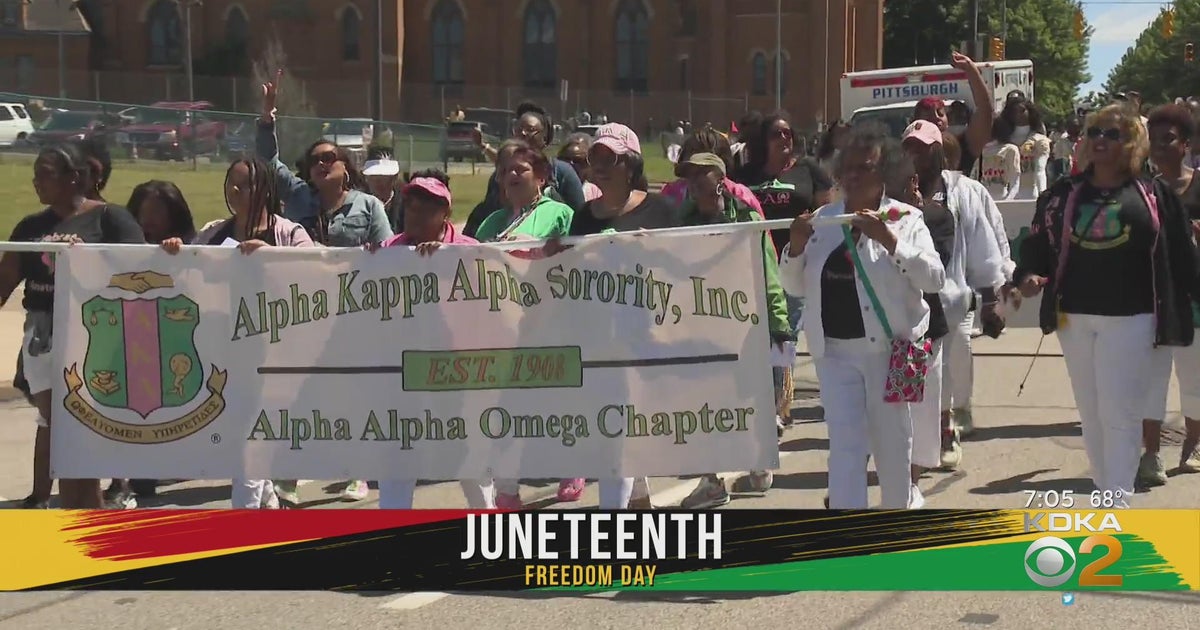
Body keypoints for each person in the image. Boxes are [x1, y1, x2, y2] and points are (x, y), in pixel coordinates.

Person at [1015, 104, 1199, 508]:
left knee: (1121, 411)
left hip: (1132, 317)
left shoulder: (1152, 193)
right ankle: (1107, 492)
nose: (1101, 139)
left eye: (1113, 134)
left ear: (1131, 142)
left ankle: (1117, 503)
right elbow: (1037, 244)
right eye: (1096, 131)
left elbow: (1182, 256)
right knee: (1092, 412)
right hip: (1073, 317)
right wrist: (1027, 275)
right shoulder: (1064, 192)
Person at [779, 122, 945, 509]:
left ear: (884, 171)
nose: (853, 176)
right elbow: (795, 286)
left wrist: (889, 240)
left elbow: (933, 278)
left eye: (865, 167)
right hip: (834, 353)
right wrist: (796, 248)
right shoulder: (823, 220)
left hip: (894, 353)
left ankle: (896, 523)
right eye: (847, 167)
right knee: (846, 445)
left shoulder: (905, 219)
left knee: (893, 446)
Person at [161, 158, 316, 509]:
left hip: (276, 354)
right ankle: (269, 512)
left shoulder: (288, 233)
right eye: (231, 183)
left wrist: (272, 256)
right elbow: (186, 272)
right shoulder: (215, 231)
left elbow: (318, 269)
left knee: (250, 442)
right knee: (248, 440)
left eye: (244, 185)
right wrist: (175, 252)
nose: (235, 191)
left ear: (264, 189)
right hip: (223, 352)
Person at [4, 143, 147, 509]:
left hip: (95, 332)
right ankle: (84, 519)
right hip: (43, 337)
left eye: (46, 174)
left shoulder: (110, 219)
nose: (37, 182)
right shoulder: (30, 226)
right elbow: (3, 284)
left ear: (73, 178)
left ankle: (84, 520)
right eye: (35, 174)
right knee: (63, 429)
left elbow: (142, 272)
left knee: (74, 433)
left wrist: (91, 263)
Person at [367, 172, 495, 510]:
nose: (416, 214)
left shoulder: (468, 250)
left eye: (427, 208)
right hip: (402, 375)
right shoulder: (389, 250)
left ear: (445, 215)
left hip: (459, 375)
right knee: (397, 459)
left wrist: (446, 259)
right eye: (411, 206)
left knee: (472, 465)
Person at [569, 123, 680, 509]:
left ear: (630, 165)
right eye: (593, 157)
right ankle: (633, 506)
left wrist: (656, 254)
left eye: (608, 158)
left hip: (649, 338)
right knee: (618, 434)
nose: (598, 165)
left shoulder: (663, 210)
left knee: (625, 435)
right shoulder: (583, 217)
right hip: (602, 339)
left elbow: (687, 271)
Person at [674, 153, 792, 508]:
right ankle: (711, 482)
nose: (693, 183)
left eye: (701, 175)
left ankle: (758, 470)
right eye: (689, 177)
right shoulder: (682, 221)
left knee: (752, 399)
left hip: (747, 324)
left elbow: (769, 273)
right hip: (701, 325)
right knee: (703, 405)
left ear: (721, 179)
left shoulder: (747, 216)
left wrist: (780, 327)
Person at [900, 122, 1007, 482]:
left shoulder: (961, 191)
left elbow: (981, 244)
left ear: (938, 152)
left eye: (923, 147)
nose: (916, 154)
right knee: (917, 375)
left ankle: (948, 427)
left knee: (952, 362)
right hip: (910, 304)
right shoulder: (894, 193)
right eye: (910, 147)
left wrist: (991, 298)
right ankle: (915, 443)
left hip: (953, 299)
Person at [256, 72, 393, 249]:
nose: (320, 164)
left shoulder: (369, 205)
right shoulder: (297, 195)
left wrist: (377, 251)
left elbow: (390, 251)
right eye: (314, 161)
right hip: (301, 276)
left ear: (345, 168)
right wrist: (267, 116)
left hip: (351, 276)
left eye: (328, 158)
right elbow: (268, 163)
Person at [732, 110, 834, 345]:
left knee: (784, 338)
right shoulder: (746, 175)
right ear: (763, 141)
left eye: (787, 133)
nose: (783, 138)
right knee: (757, 338)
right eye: (776, 134)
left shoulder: (808, 169)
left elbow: (826, 215)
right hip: (755, 265)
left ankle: (781, 382)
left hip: (795, 264)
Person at [1138, 104, 1200, 485]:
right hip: (1152, 297)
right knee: (1150, 381)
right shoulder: (1143, 189)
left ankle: (1192, 446)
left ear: (1186, 144)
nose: (1159, 147)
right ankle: (1151, 455)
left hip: (1194, 298)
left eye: (1169, 139)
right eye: (1153, 140)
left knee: (1193, 378)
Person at [465, 102, 586, 236]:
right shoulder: (491, 223)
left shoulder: (561, 207)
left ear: (541, 176)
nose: (523, 133)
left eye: (530, 129)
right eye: (518, 129)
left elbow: (581, 224)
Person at [911, 51, 994, 175]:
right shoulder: (909, 151)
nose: (936, 118)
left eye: (940, 113)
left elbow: (985, 109)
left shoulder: (964, 145)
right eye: (928, 115)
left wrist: (970, 68)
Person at [659, 127, 764, 216]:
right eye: (691, 168)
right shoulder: (670, 195)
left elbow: (762, 235)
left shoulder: (743, 197)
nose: (696, 179)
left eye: (703, 169)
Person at [127, 181, 197, 244]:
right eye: (142, 211)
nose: (147, 218)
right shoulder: (125, 239)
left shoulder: (194, 245)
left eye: (156, 211)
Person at [363, 148, 403, 232]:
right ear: (366, 178)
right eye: (373, 176)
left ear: (394, 177)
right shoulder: (358, 204)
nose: (378, 181)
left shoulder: (406, 204)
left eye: (385, 177)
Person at [557, 133, 602, 202]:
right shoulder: (550, 191)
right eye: (565, 159)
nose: (570, 165)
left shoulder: (597, 194)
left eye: (577, 160)